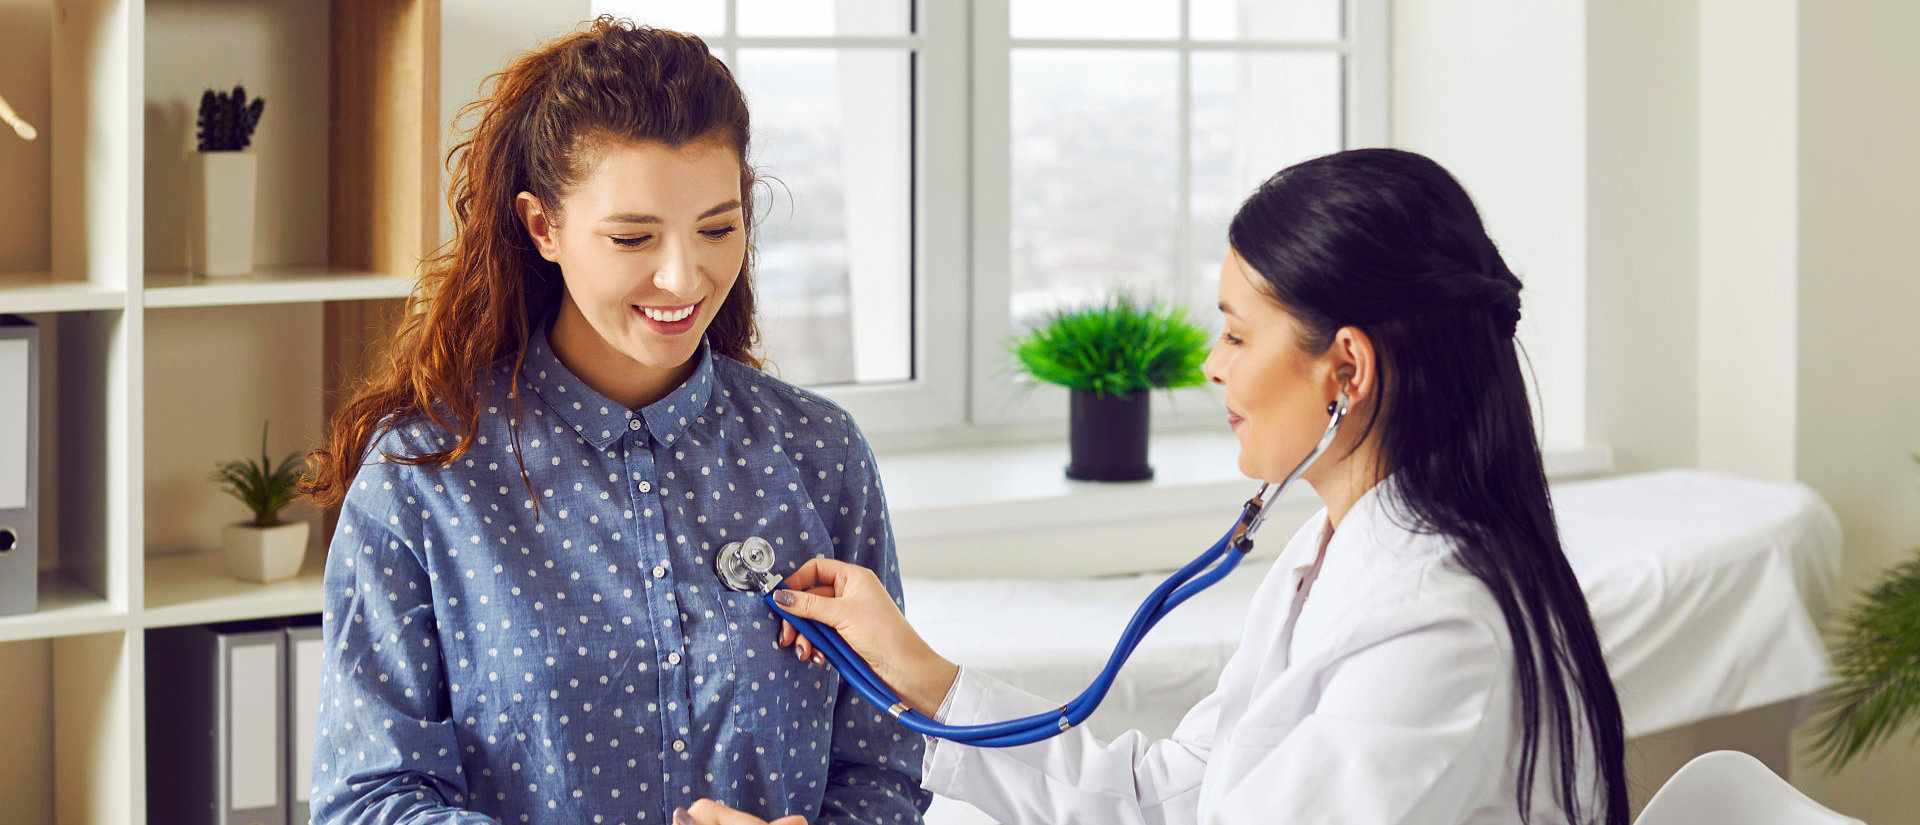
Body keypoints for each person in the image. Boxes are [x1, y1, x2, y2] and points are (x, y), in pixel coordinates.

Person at [689, 148, 1629, 825]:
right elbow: (1175, 795)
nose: (1214, 367)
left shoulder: (1440, 624)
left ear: (1346, 368)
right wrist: (915, 670)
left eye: (1237, 332)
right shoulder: (1333, 549)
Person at [302, 18, 929, 825]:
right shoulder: (423, 477)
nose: (683, 275)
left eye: (718, 227)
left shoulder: (818, 453)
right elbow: (368, 800)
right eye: (633, 236)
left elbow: (884, 765)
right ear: (543, 227)